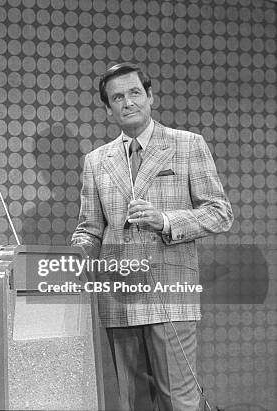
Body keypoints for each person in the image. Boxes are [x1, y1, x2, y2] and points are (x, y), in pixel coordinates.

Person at [71, 63, 233, 410]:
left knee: (179, 400)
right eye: (118, 97)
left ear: (150, 97)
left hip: (170, 290)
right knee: (133, 403)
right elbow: (89, 229)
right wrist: (78, 254)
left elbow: (220, 213)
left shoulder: (187, 145)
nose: (127, 102)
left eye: (134, 93)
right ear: (108, 107)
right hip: (119, 297)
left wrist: (165, 220)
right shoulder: (96, 161)